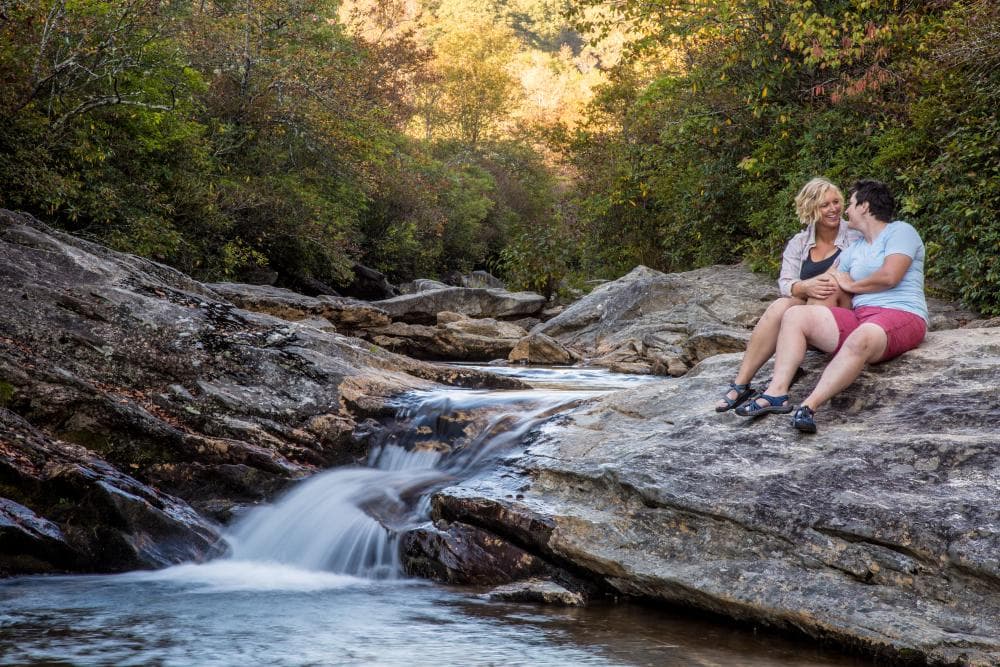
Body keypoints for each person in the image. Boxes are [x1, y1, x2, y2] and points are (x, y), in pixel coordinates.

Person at [735, 179, 928, 432]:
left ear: (864, 207)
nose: (845, 210)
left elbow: (890, 276)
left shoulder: (900, 231)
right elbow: (830, 278)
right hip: (861, 315)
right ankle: (776, 392)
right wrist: (810, 288)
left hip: (901, 313)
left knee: (862, 337)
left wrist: (851, 284)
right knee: (795, 315)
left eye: (848, 203)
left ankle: (809, 406)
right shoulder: (854, 248)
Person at [716, 177, 860, 412]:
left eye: (837, 202)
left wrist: (821, 284)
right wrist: (804, 287)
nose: (834, 209)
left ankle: (780, 384)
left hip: (841, 317)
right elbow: (786, 282)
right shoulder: (800, 242)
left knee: (827, 285)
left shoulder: (855, 236)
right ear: (810, 209)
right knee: (781, 305)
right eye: (825, 205)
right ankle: (741, 384)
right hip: (804, 316)